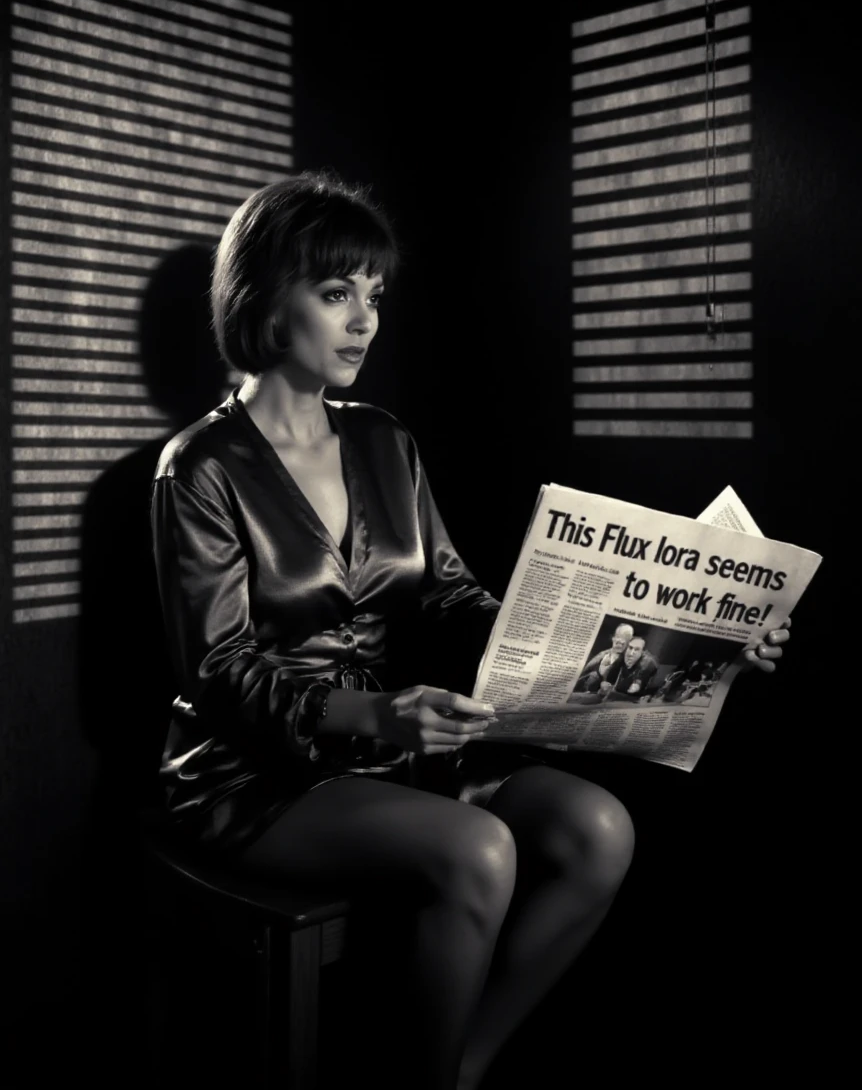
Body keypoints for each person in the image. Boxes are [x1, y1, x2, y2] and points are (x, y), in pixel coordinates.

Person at [149, 170, 791, 1090]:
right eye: (337, 294)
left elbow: (451, 600)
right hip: (254, 775)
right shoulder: (200, 466)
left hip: (401, 750)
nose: (365, 319)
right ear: (263, 298)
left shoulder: (383, 439)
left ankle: (451, 1069)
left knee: (598, 830)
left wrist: (685, 634)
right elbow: (216, 670)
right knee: (481, 848)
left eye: (374, 295)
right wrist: (377, 716)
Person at [573, 622, 634, 693]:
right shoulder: (601, 656)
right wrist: (600, 675)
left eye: (626, 637)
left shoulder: (629, 660)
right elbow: (582, 677)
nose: (621, 641)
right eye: (618, 636)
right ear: (613, 638)